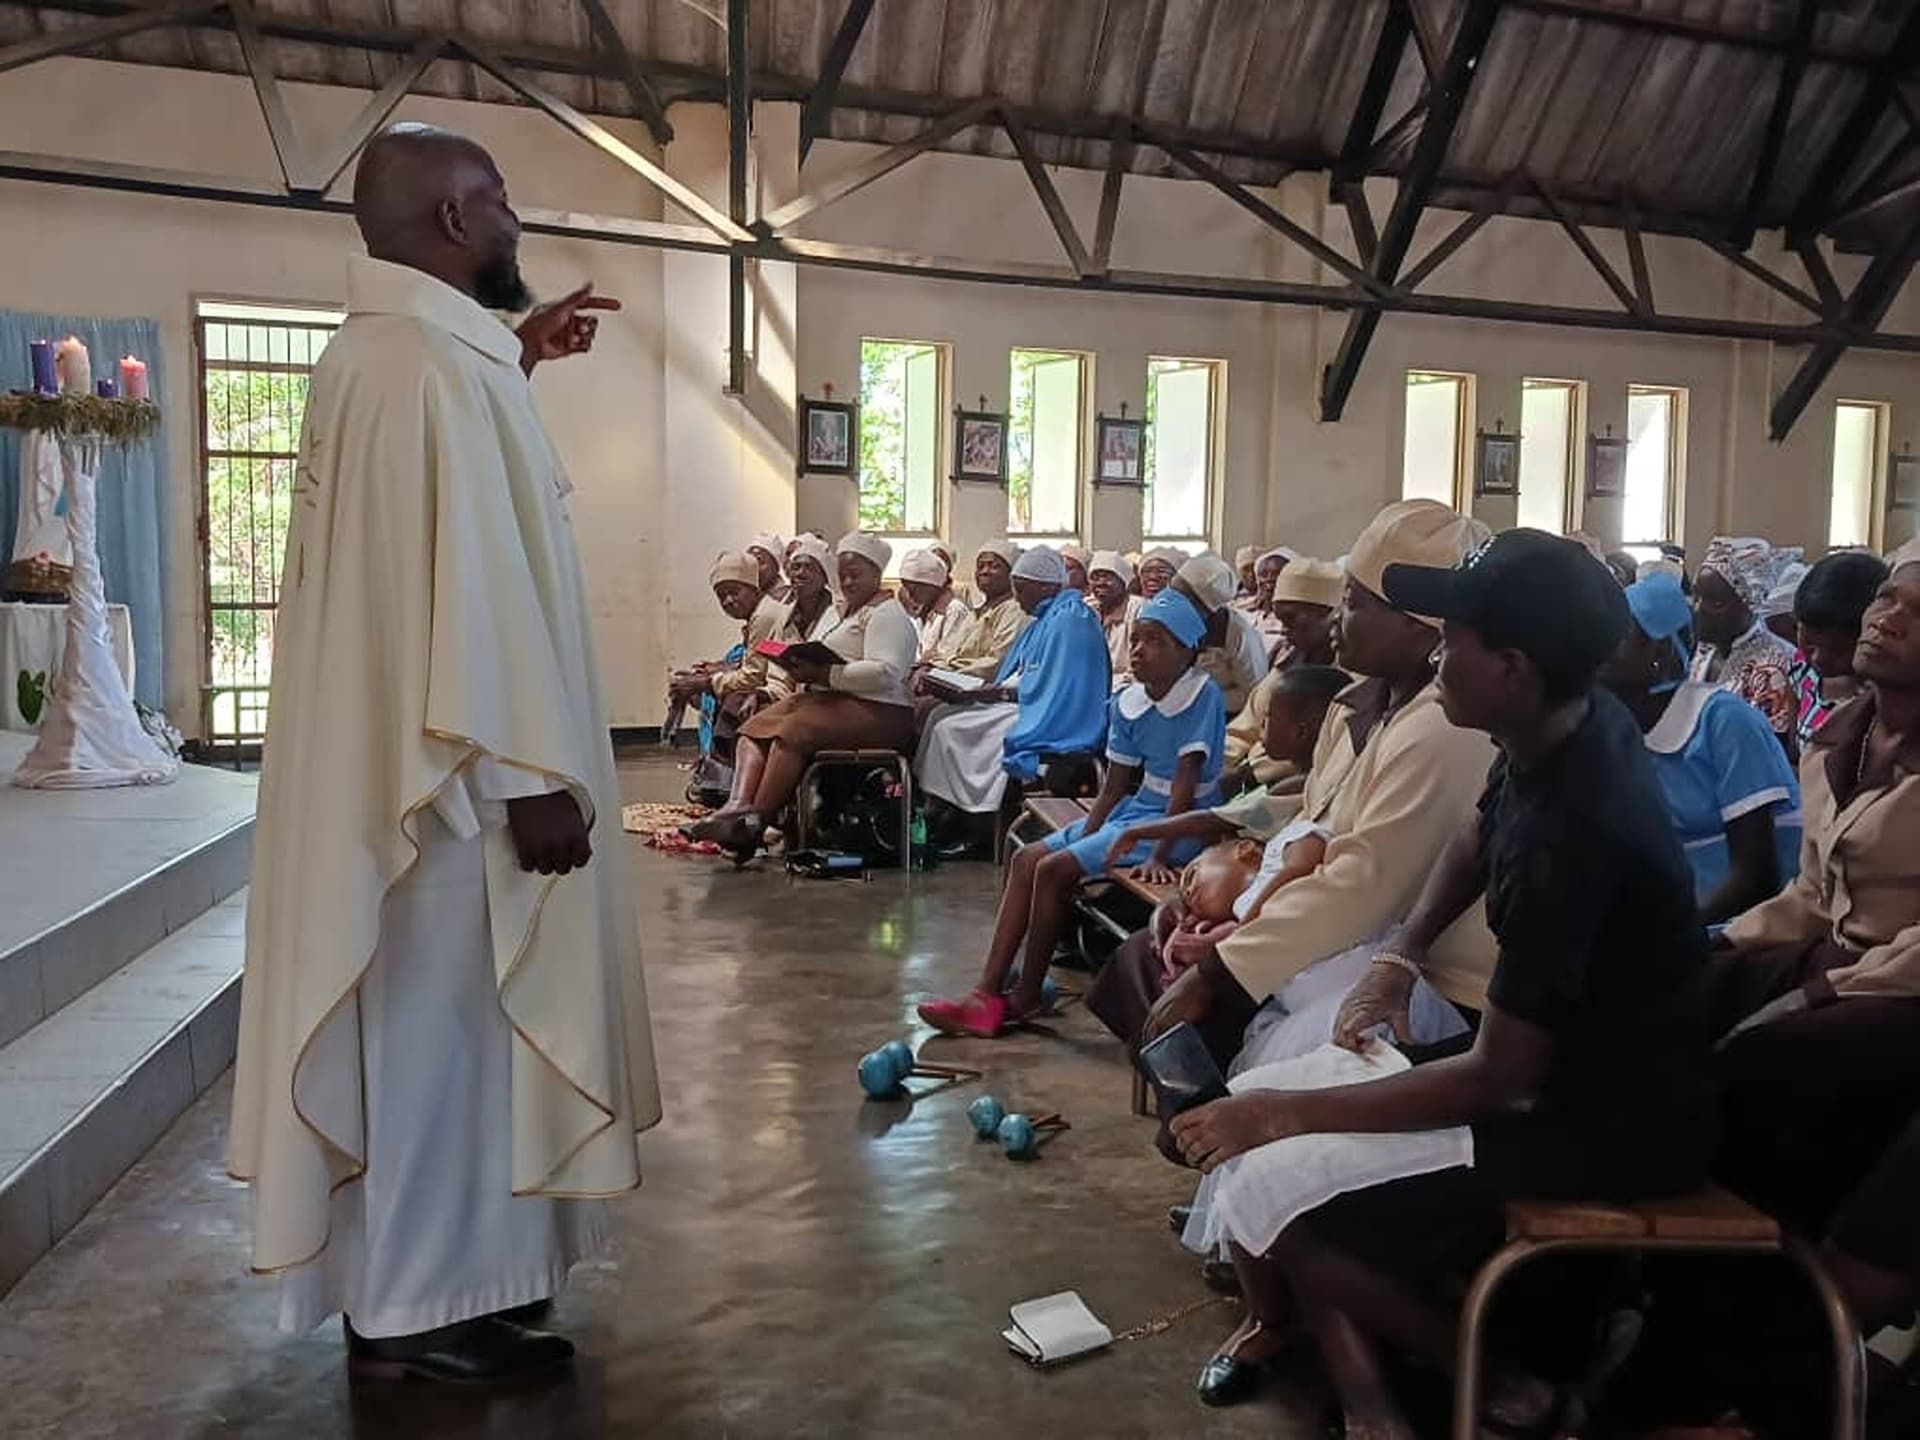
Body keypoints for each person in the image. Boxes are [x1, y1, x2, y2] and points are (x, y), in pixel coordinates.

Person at [227, 124, 660, 1383]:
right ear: (460, 220)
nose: (517, 222)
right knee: (443, 1049)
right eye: (504, 200)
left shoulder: (395, 354)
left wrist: (516, 357)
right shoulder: (424, 366)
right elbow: (469, 584)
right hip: (458, 798)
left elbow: (441, 547)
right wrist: (533, 785)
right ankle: (417, 1308)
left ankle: (444, 1288)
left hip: (418, 783)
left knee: (444, 1047)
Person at [1171, 531, 1713, 1433]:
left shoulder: (1574, 837)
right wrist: (1399, 956)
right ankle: (1381, 1391)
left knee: (1291, 1193)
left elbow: (1502, 1078)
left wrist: (1284, 1119)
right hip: (1564, 1076)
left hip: (1613, 1118)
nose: (1437, 651)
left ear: (1511, 667)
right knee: (1262, 1106)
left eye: (1453, 638)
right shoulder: (1558, 723)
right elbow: (1474, 833)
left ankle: (1482, 1389)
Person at [1100, 501, 1498, 1078]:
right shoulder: (1358, 703)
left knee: (1199, 1004)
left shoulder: (1442, 727)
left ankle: (1221, 1126)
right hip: (1334, 931)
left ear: (1419, 626)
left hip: (1423, 972)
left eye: (1355, 604)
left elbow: (1361, 887)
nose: (1338, 619)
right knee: (1145, 957)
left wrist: (1225, 960)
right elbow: (1307, 827)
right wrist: (1216, 904)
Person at [1707, 540, 1920, 1434]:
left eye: (1918, 615)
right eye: (1892, 599)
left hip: (1899, 990)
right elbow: (1806, 896)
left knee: (1758, 1067)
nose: (1888, 617)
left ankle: (1764, 1328)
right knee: (1662, 1009)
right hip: (1834, 960)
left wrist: (1830, 990)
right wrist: (1715, 944)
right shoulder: (1843, 734)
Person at [917, 588, 1226, 1038]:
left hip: (1183, 824)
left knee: (1056, 868)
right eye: (1136, 639)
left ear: (1187, 649)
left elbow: (1185, 783)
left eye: (1156, 640)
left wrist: (1160, 855)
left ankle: (1020, 998)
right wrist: (1089, 835)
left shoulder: (1202, 695)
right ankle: (988, 987)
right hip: (1137, 811)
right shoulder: (1129, 700)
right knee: (1028, 859)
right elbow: (1115, 784)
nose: (1139, 650)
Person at [1085, 664, 1348, 1040]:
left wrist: (1235, 936)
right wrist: (1184, 902)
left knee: (1148, 960)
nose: (1261, 726)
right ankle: (1158, 1057)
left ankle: (1175, 1071)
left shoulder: (1307, 787)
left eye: (1270, 717)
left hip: (1280, 934)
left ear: (1302, 731)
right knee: (1144, 948)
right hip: (1250, 915)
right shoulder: (1302, 782)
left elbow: (1228, 825)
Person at [690, 532, 918, 861]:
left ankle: (754, 825)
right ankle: (737, 806)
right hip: (839, 700)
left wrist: (826, 674)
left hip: (882, 712)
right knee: (755, 727)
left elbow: (886, 673)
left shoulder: (888, 614)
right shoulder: (851, 612)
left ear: (876, 574)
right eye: (845, 575)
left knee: (793, 732)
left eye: (858, 574)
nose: (850, 581)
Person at [1602, 572, 1801, 923]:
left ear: (1658, 654)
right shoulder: (1611, 726)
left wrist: (1671, 938)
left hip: (1734, 925)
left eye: (1616, 636)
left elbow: (1755, 879)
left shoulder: (1723, 722)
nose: (1597, 647)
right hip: (1666, 916)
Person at [913, 546, 1111, 854]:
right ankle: (945, 810)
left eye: (1021, 589)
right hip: (1033, 701)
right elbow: (1027, 673)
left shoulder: (1071, 619)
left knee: (954, 728)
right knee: (941, 716)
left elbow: (1056, 686)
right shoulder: (1046, 618)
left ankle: (978, 822)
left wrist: (994, 693)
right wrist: (988, 691)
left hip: (1058, 715)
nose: (1017, 598)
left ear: (1045, 586)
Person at [1224, 557, 1343, 794]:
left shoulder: (1347, 678)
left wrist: (1248, 776)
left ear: (1330, 615)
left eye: (1292, 620)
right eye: (1281, 620)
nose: (1284, 630)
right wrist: (1219, 765)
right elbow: (1246, 728)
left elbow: (1308, 749)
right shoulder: (1288, 662)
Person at [1691, 536, 1800, 747]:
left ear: (1750, 603)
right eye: (1696, 596)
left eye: (1716, 601)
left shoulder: (1774, 666)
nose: (1698, 609)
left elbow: (1765, 749)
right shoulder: (1705, 651)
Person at [1791, 549, 1888, 749]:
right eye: (1808, 641)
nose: (1818, 658)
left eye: (1839, 650)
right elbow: (1792, 750)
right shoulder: (1801, 668)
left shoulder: (1885, 697)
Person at [920, 539, 1031, 682]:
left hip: (980, 692)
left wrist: (945, 676)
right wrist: (929, 667)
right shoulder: (975, 613)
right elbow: (949, 653)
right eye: (980, 566)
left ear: (1011, 574)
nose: (984, 572)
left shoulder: (1015, 611)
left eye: (994, 566)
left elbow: (996, 664)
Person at [1175, 552, 1269, 714]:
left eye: (1183, 597)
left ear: (1206, 608)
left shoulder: (1239, 634)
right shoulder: (1170, 620)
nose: (1172, 600)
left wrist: (1203, 700)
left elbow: (1253, 694)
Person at [898, 547, 969, 663]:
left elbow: (946, 658)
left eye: (914, 590)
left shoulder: (954, 610)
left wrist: (927, 661)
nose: (910, 597)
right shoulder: (924, 612)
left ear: (932, 585)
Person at [1089, 550, 1145, 684]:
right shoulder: (1086, 608)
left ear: (1123, 581)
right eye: (1095, 577)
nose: (1100, 583)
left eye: (1107, 577)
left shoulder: (1139, 609)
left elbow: (1139, 667)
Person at [748, 531, 791, 602]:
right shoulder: (748, 598)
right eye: (750, 561)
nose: (754, 567)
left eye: (760, 561)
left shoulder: (788, 598)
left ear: (776, 566)